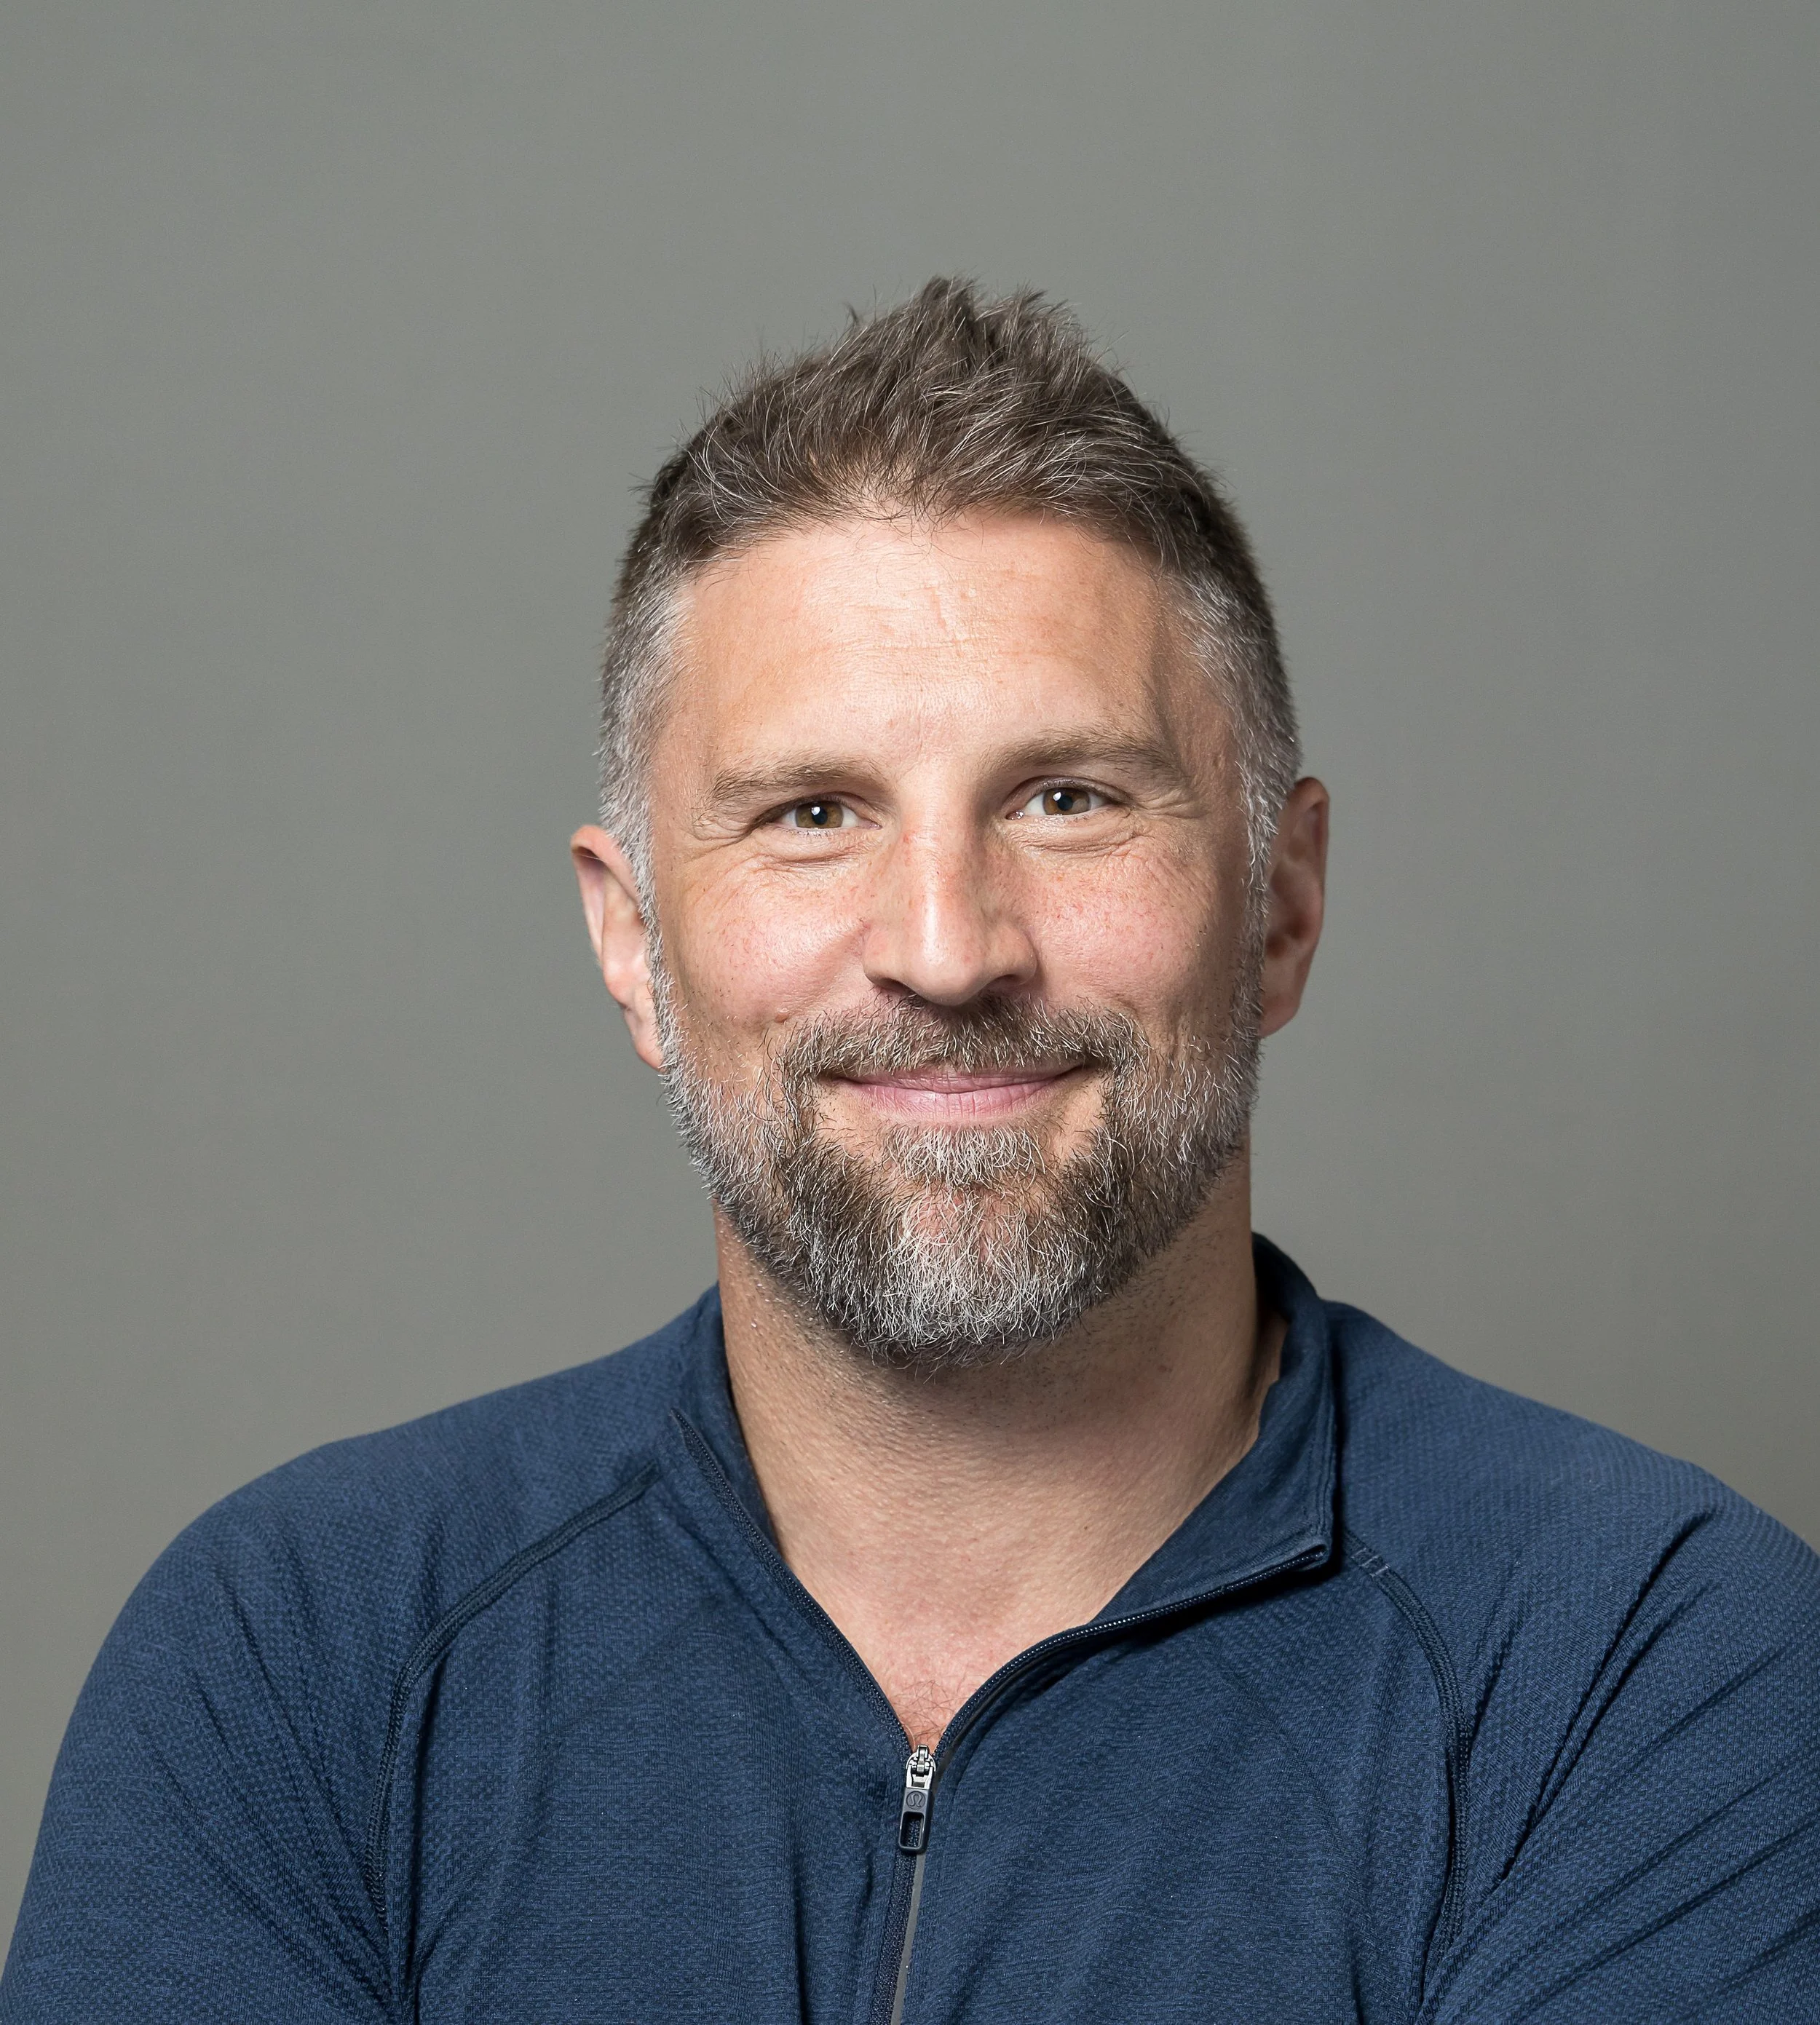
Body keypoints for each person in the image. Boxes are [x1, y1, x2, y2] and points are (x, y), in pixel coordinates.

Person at [4, 280, 1816, 2025]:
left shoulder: (1639, 1656)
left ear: (1278, 904)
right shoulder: (297, 1659)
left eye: (1068, 799)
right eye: (810, 814)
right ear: (633, 940)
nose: (946, 948)